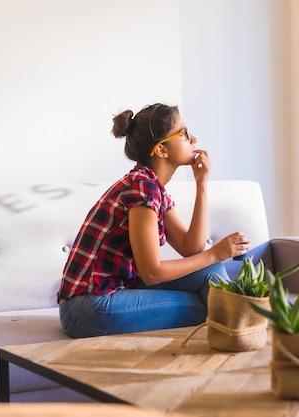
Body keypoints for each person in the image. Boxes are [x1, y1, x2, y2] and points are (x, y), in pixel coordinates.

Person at [57, 103, 251, 338]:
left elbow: (192, 248)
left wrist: (201, 185)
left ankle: (240, 332)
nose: (194, 139)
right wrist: (215, 253)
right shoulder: (142, 188)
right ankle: (243, 335)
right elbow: (152, 272)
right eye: (185, 133)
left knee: (212, 273)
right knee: (211, 306)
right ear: (161, 150)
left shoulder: (152, 187)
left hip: (114, 291)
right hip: (88, 307)